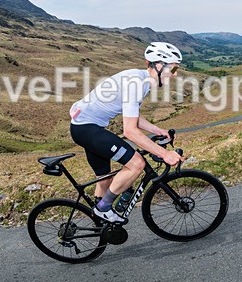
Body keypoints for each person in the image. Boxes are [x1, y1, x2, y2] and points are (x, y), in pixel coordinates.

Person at [69, 42, 185, 224]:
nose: (176, 73)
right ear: (159, 66)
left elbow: (134, 116)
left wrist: (157, 130)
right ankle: (104, 209)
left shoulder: (141, 80)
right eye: (174, 68)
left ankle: (100, 226)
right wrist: (164, 154)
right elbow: (130, 131)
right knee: (137, 164)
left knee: (104, 181)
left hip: (84, 128)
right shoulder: (136, 84)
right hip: (87, 129)